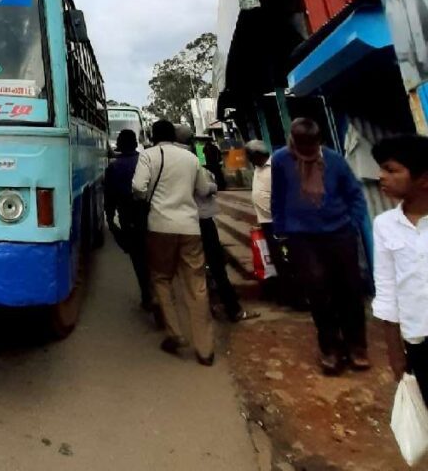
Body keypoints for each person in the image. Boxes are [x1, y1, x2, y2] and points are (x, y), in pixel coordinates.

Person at [271, 118, 369, 375]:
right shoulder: (280, 160)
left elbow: (355, 194)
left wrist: (352, 224)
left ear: (319, 142)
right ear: (293, 142)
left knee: (350, 290)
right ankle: (330, 349)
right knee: (318, 293)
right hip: (302, 238)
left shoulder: (334, 160)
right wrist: (281, 232)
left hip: (340, 234)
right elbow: (277, 197)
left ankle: (357, 346)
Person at [133, 119, 216, 366]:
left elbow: (138, 187)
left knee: (161, 278)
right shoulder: (190, 158)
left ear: (152, 136)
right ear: (174, 136)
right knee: (197, 284)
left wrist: (148, 196)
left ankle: (175, 333)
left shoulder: (148, 156)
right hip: (190, 227)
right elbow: (203, 189)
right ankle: (205, 349)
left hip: (160, 227)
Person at [178, 125, 256, 323]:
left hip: (182, 221)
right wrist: (214, 186)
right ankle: (232, 309)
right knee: (217, 265)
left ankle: (207, 308)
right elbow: (204, 189)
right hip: (202, 219)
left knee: (194, 267)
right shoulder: (190, 160)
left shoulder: (163, 160)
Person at [371, 135, 428, 396]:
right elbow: (387, 289)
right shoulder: (384, 225)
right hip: (419, 340)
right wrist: (395, 351)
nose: (381, 176)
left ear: (423, 179)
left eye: (391, 170)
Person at [104, 129, 151, 311]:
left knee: (138, 258)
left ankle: (147, 295)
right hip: (150, 215)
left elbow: (109, 197)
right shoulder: (145, 161)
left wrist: (110, 219)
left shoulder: (114, 167)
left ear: (120, 145)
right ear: (135, 143)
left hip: (128, 218)